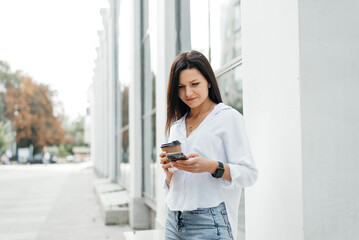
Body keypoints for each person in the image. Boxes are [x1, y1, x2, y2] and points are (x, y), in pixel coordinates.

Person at [159, 50, 258, 240]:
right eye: (181, 87)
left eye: (194, 84)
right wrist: (168, 172)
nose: (188, 93)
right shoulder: (177, 126)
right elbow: (175, 184)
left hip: (209, 222)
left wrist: (212, 167)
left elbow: (249, 174)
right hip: (173, 218)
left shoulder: (228, 118)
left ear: (209, 81)